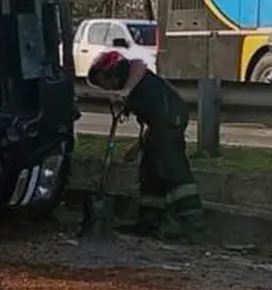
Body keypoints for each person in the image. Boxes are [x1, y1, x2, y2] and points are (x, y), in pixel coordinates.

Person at [87, 50, 205, 240]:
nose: (108, 89)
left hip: (170, 117)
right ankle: (150, 221)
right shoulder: (130, 88)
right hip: (161, 121)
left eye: (104, 83)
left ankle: (193, 223)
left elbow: (140, 65)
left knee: (172, 168)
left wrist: (124, 93)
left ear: (113, 72)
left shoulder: (132, 71)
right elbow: (152, 121)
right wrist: (138, 146)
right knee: (149, 169)